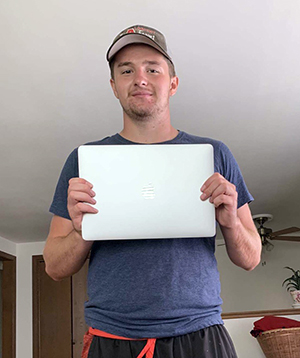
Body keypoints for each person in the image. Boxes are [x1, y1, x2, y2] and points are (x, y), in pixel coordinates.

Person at [43, 25, 261, 358]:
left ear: (172, 83)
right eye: (126, 70)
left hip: (199, 333)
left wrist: (230, 221)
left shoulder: (215, 154)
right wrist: (82, 229)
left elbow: (251, 258)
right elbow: (55, 267)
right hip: (112, 336)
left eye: (152, 69)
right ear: (114, 87)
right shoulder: (84, 160)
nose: (140, 78)